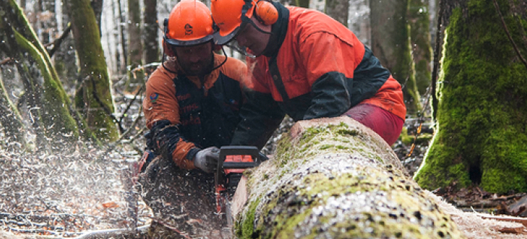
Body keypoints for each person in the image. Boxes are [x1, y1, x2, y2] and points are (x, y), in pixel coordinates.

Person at [210, 0, 406, 149]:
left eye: (244, 31)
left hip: (379, 106)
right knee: (315, 142)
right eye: (236, 38)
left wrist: (295, 145)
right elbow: (260, 114)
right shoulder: (259, 57)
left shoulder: (313, 34)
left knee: (327, 139)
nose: (243, 42)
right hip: (334, 118)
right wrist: (236, 155)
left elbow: (332, 100)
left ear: (263, 14)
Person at [136, 0, 248, 237]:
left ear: (213, 44)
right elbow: (163, 134)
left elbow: (257, 117)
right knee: (160, 173)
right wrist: (195, 156)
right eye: (187, 51)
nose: (195, 57)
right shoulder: (162, 81)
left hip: (230, 161)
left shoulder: (237, 72)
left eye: (199, 48)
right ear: (171, 49)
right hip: (180, 167)